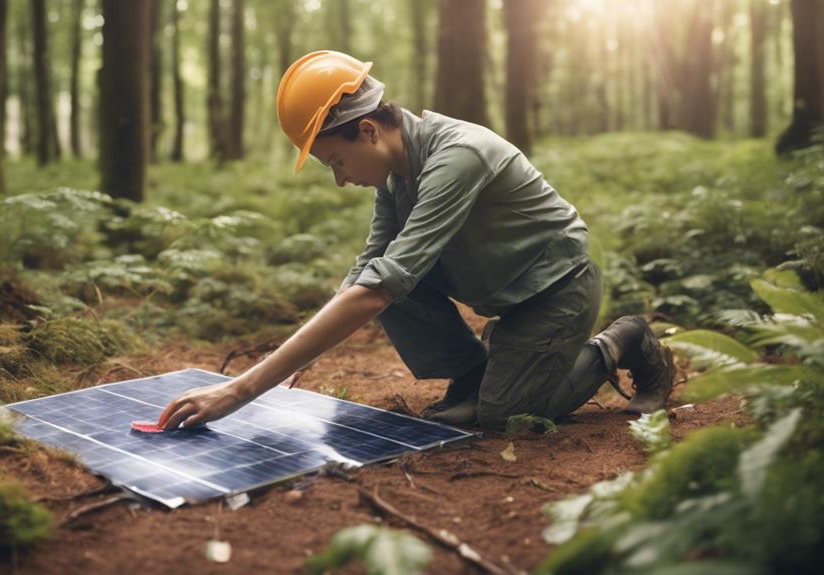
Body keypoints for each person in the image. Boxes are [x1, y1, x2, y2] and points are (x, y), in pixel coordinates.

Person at [157, 51, 674, 431]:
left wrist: (242, 388)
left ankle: (621, 340)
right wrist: (298, 357)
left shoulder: (458, 155)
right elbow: (366, 274)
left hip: (556, 290)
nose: (339, 179)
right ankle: (476, 374)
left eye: (335, 162)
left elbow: (382, 288)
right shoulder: (395, 177)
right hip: (504, 293)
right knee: (372, 280)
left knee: (505, 416)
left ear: (367, 131)